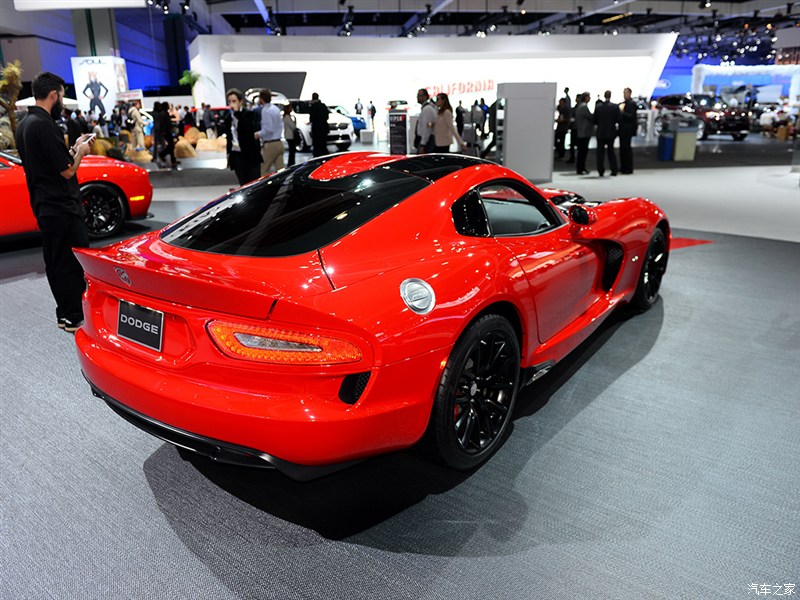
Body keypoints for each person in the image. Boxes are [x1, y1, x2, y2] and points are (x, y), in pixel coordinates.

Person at [15, 71, 94, 332]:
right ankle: (74, 316)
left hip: (44, 204)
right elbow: (67, 171)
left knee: (56, 260)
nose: (61, 100)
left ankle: (65, 314)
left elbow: (53, 162)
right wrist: (81, 152)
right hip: (61, 206)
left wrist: (73, 150)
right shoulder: (44, 125)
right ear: (53, 95)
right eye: (60, 95)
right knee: (72, 262)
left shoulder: (26, 124)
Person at [223, 88, 262, 185]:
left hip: (250, 155)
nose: (231, 104)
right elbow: (229, 137)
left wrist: (238, 114)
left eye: (234, 101)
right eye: (229, 101)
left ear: (240, 102)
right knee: (242, 184)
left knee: (253, 184)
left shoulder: (249, 114)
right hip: (236, 155)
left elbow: (249, 131)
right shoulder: (228, 118)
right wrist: (228, 154)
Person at [255, 88, 284, 175]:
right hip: (279, 143)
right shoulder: (276, 109)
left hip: (270, 145)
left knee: (264, 170)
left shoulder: (265, 110)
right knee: (281, 172)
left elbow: (268, 129)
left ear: (261, 99)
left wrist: (258, 134)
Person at [594, 90, 620, 176]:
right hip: (611, 132)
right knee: (611, 152)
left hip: (601, 132)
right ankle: (614, 169)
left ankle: (600, 170)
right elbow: (618, 119)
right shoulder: (615, 107)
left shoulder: (598, 107)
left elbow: (595, 120)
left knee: (600, 153)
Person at [618, 87, 637, 174]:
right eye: (623, 93)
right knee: (622, 148)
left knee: (626, 148)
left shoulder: (632, 104)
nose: (624, 95)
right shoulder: (623, 103)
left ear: (629, 93)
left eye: (625, 93)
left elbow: (631, 116)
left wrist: (622, 112)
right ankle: (623, 166)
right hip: (622, 129)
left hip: (628, 129)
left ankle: (628, 167)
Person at [574, 92, 593, 175]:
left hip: (581, 132)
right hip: (584, 133)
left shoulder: (580, 106)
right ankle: (580, 168)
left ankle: (581, 168)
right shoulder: (584, 107)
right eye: (589, 97)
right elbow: (590, 117)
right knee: (583, 152)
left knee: (582, 151)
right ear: (586, 97)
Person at [415, 88, 437, 154]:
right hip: (426, 140)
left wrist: (423, 144)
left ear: (425, 97)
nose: (417, 98)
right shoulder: (426, 108)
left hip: (427, 142)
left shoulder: (427, 109)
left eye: (419, 96)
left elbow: (427, 128)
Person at [308, 92, 329, 158]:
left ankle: (317, 157)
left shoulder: (313, 107)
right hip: (324, 127)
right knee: (323, 144)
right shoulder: (323, 106)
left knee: (317, 145)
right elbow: (327, 117)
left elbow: (312, 119)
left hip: (316, 128)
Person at [283, 103, 298, 167]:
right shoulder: (287, 117)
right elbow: (293, 126)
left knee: (292, 150)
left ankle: (291, 162)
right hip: (290, 136)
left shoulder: (287, 116)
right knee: (292, 150)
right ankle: (291, 163)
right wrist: (295, 122)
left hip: (289, 135)